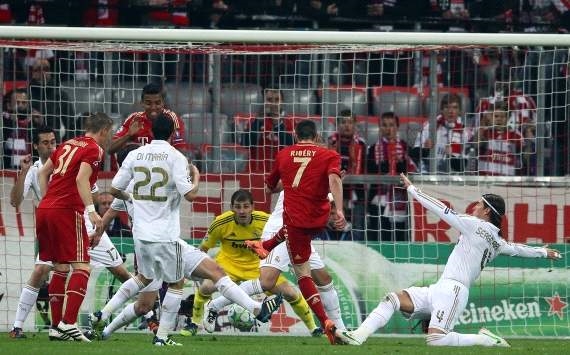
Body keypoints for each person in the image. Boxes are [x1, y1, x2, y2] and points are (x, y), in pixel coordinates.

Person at [92, 115, 282, 346]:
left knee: (145, 288)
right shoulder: (176, 157)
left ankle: (103, 321)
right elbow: (190, 195)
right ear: (173, 133)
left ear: (151, 132)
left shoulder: (134, 156)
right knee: (179, 283)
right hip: (166, 236)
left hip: (141, 237)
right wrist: (197, 177)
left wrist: (132, 200)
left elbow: (113, 189)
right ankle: (162, 337)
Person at [336, 173, 562, 347]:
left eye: (480, 205)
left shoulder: (476, 226)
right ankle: (358, 336)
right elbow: (518, 250)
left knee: (435, 340)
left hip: (454, 290)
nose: (475, 207)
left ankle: (485, 340)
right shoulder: (497, 241)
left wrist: (413, 189)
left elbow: (443, 211)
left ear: (487, 212)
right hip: (441, 287)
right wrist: (543, 252)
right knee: (392, 299)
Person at [8, 126, 132, 340]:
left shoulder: (71, 156)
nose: (50, 146)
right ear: (36, 146)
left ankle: (149, 315)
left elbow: (91, 191)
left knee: (120, 272)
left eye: (53, 141)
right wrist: (24, 172)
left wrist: (98, 220)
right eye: (45, 143)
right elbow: (15, 201)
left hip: (83, 222)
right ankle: (32, 325)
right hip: (64, 220)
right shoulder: (37, 168)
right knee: (46, 269)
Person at [245, 119, 347, 345]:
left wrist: (284, 181)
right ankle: (341, 327)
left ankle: (327, 323)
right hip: (314, 221)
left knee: (300, 275)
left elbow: (270, 187)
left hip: (295, 224)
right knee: (323, 278)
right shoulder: (328, 155)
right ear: (317, 136)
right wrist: (339, 211)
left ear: (294, 135)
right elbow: (334, 180)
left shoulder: (284, 155)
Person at [205, 190, 346, 332]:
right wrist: (270, 243)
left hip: (299, 233)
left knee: (323, 279)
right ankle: (215, 305)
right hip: (280, 229)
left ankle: (340, 330)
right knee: (267, 282)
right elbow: (271, 188)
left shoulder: (323, 183)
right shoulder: (304, 181)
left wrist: (336, 209)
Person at [189, 189, 318, 336]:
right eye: (238, 207)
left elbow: (284, 237)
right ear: (231, 208)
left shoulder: (266, 221)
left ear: (252, 207)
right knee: (206, 287)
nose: (242, 211)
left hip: (258, 267)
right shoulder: (220, 223)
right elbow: (203, 249)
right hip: (228, 266)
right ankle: (194, 324)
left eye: (245, 206)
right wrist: (194, 269)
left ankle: (314, 329)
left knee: (290, 293)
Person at [35, 113, 114, 342]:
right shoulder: (94, 149)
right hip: (67, 211)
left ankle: (55, 327)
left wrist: (46, 200)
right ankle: (69, 323)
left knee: (60, 267)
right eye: (109, 132)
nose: (108, 137)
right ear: (103, 131)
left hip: (46, 209)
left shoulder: (68, 143)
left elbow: (42, 173)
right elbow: (81, 179)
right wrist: (91, 211)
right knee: (83, 267)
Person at [367, 112, 416, 241]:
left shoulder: (405, 147)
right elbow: (369, 170)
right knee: (379, 238)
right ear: (380, 127)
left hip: (399, 200)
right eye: (384, 125)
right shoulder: (372, 149)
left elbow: (411, 170)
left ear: (397, 127)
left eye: (391, 125)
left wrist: (400, 163)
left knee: (399, 237)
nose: (388, 129)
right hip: (378, 200)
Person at [108, 82, 187, 155]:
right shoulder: (134, 119)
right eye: (148, 103)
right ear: (142, 103)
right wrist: (128, 135)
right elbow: (110, 149)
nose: (153, 107)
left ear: (163, 103)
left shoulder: (172, 119)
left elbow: (181, 153)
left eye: (157, 103)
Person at [327, 110, 366, 240]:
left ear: (355, 124)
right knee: (331, 226)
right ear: (337, 125)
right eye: (343, 122)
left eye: (350, 122)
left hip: (356, 195)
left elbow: (363, 170)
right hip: (332, 193)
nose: (346, 125)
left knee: (357, 229)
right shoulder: (330, 143)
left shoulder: (361, 144)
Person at [411, 93, 470, 173]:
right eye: (447, 107)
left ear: (459, 111)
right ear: (441, 110)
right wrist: (425, 150)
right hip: (427, 174)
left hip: (451, 178)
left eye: (455, 108)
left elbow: (462, 167)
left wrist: (450, 156)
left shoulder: (464, 133)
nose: (451, 111)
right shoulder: (429, 126)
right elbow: (414, 154)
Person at [241, 88, 294, 172]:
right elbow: (246, 143)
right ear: (264, 102)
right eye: (269, 100)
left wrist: (277, 124)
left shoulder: (290, 122)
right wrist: (259, 121)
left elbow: (293, 145)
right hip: (257, 172)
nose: (273, 103)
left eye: (277, 100)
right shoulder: (253, 121)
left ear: (282, 101)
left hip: (282, 172)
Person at [28, 58, 76, 140]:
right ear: (33, 72)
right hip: (31, 142)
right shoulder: (26, 95)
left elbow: (71, 125)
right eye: (38, 69)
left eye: (46, 69)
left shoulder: (61, 95)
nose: (43, 72)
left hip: (55, 144)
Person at [2, 89, 43, 169]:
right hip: (7, 169)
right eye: (17, 102)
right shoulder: (3, 121)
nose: (20, 105)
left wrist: (40, 124)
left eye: (24, 103)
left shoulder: (35, 120)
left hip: (30, 168)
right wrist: (9, 122)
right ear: (9, 105)